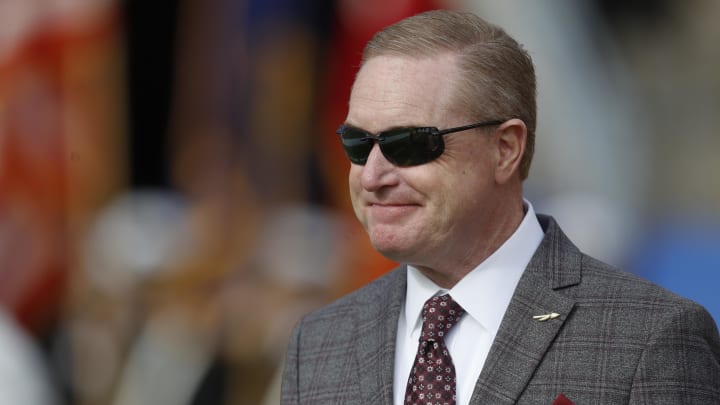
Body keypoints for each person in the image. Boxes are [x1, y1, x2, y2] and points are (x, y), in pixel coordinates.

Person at [281, 9, 720, 405]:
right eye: (357, 145)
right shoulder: (318, 342)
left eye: (410, 144)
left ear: (506, 149)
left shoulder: (651, 339)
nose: (372, 176)